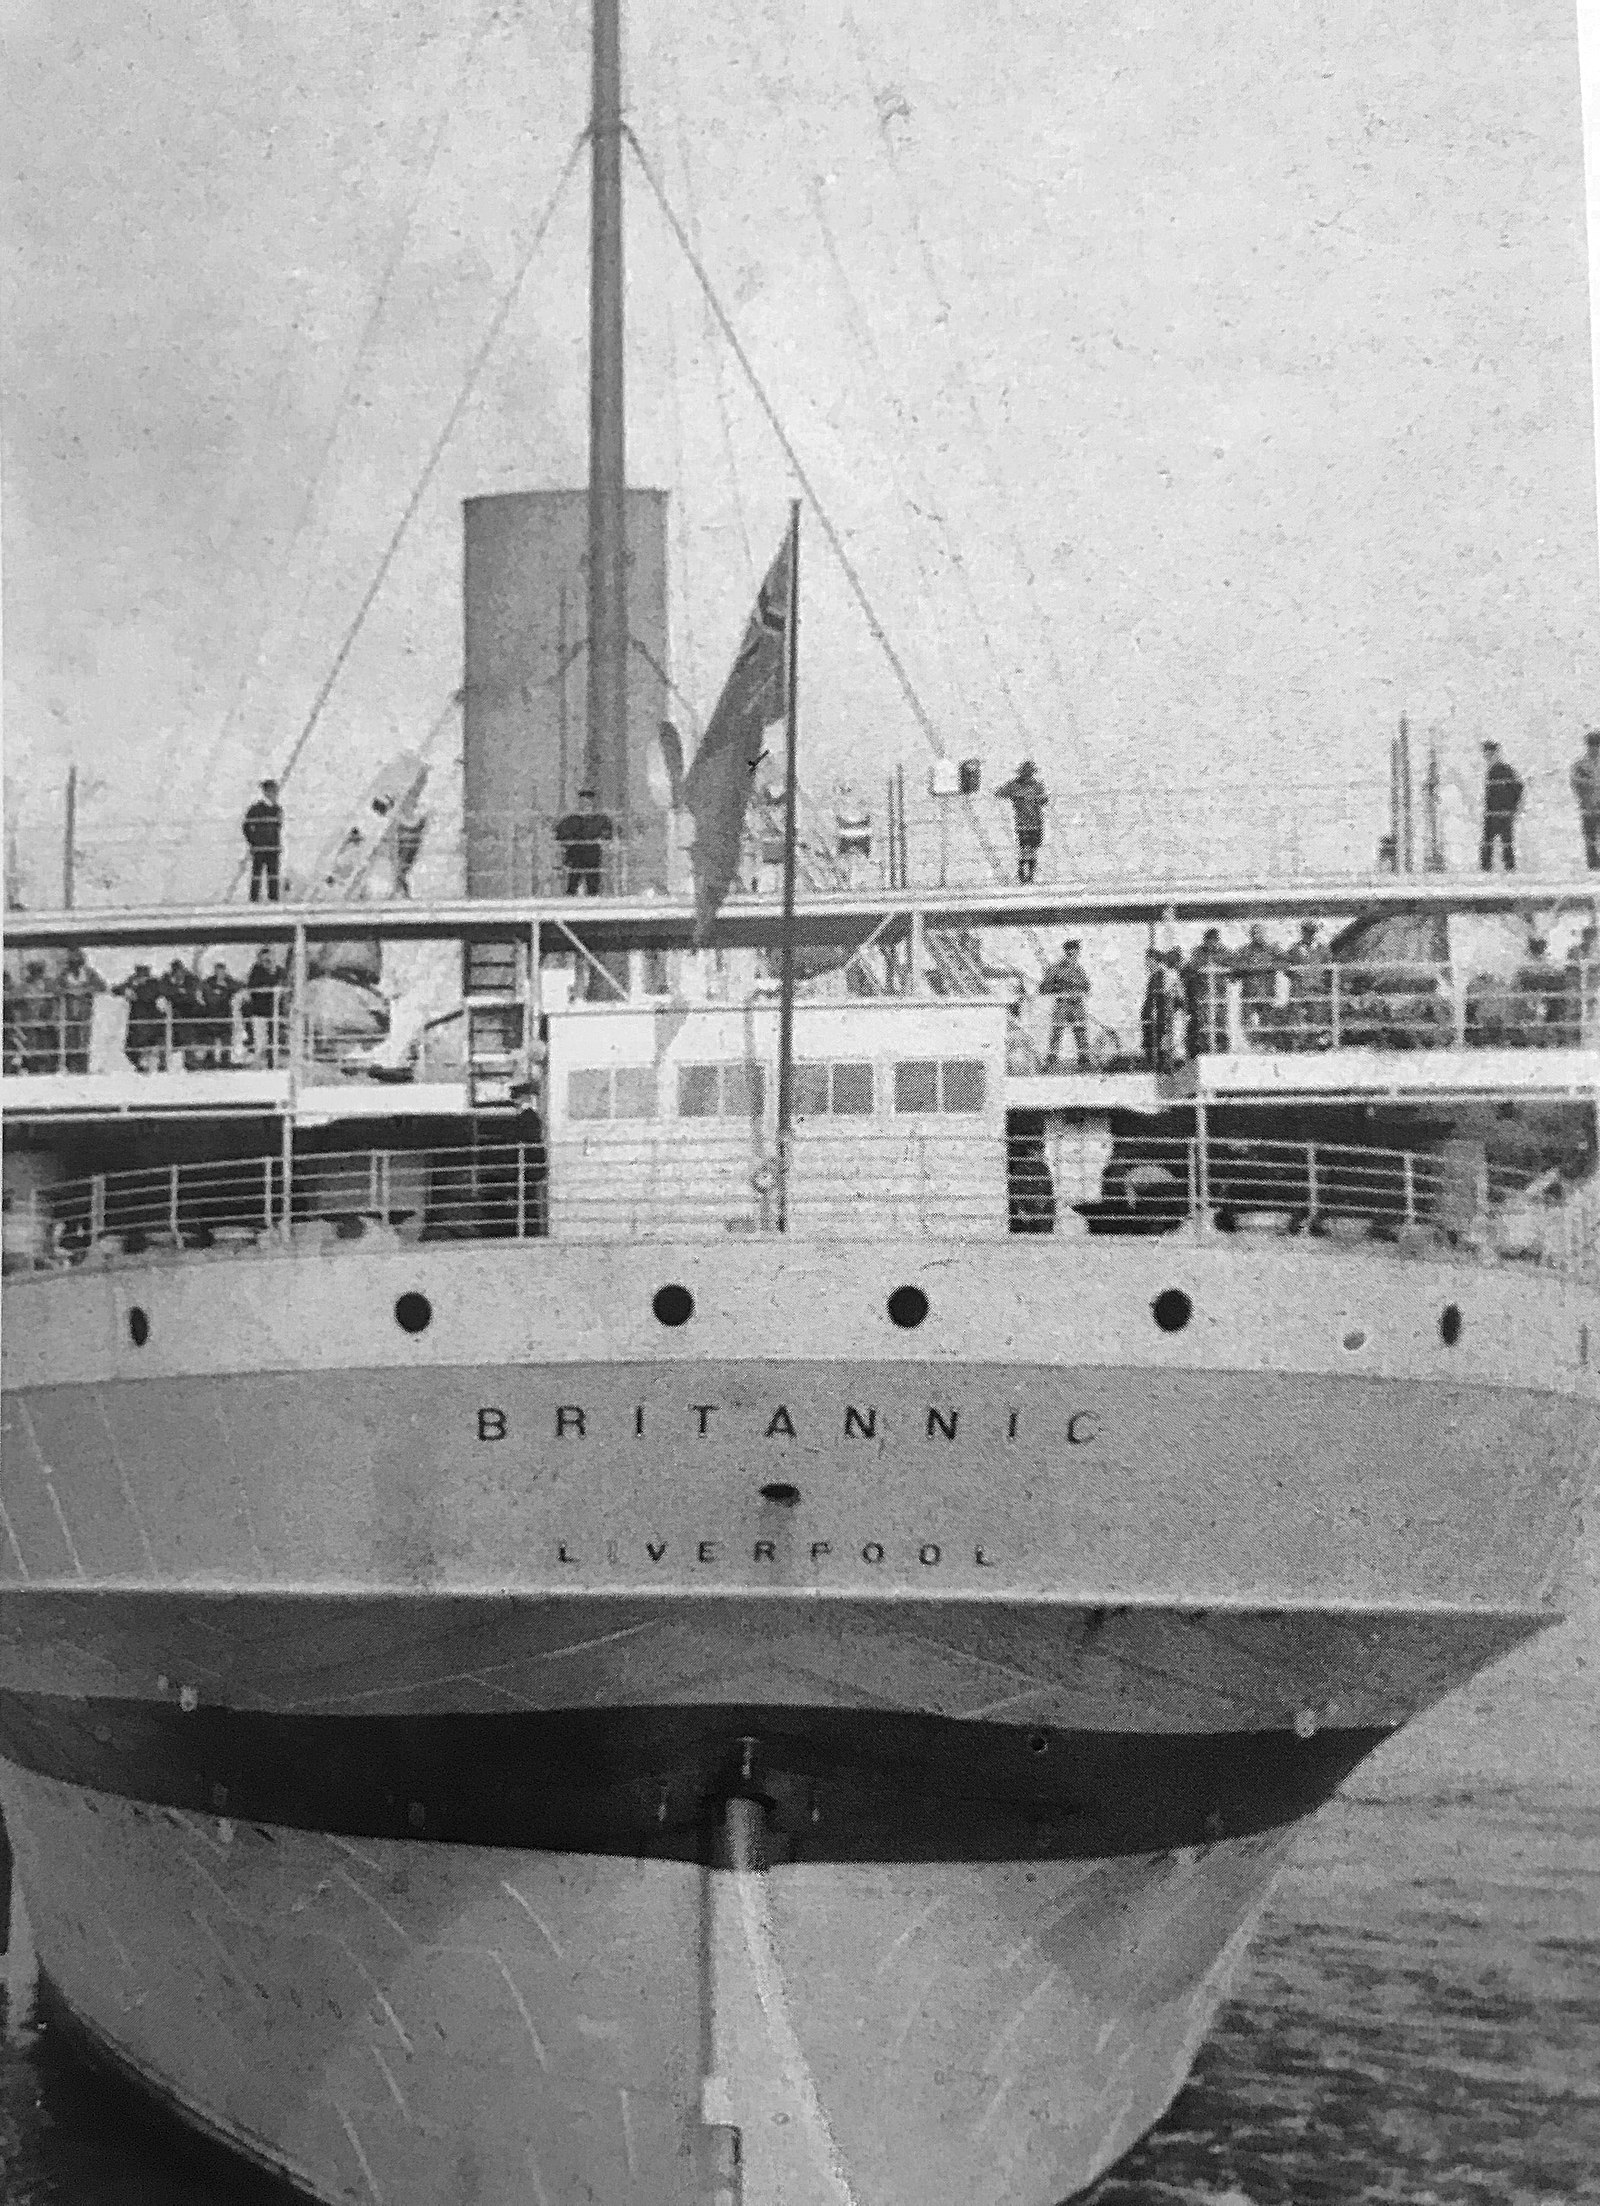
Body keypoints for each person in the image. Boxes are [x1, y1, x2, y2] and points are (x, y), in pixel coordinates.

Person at [1039, 938, 1091, 1069]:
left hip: (1077, 1004)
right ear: (1067, 951)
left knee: (1081, 1032)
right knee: (1057, 1032)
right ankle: (1051, 1062)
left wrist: (1077, 986)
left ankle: (1084, 1061)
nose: (1075, 955)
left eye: (1077, 952)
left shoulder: (1079, 969)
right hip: (1062, 1004)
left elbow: (1087, 986)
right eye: (1072, 952)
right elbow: (1043, 988)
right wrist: (1057, 985)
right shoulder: (1055, 968)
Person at [553, 787, 615, 895]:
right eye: (583, 801)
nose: (586, 804)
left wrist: (603, 842)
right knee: (572, 883)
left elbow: (607, 836)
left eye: (589, 800)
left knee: (593, 884)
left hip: (593, 856)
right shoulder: (570, 820)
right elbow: (560, 836)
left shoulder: (601, 820)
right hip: (575, 856)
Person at [995, 761, 1048, 883]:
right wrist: (1016, 796)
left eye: (1030, 773)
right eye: (1026, 773)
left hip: (1036, 821)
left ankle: (1029, 873)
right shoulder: (1014, 784)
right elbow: (999, 792)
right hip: (1022, 822)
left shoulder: (1037, 785)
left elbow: (1045, 799)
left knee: (1033, 849)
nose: (1028, 775)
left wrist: (1036, 799)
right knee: (1025, 847)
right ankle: (1022, 872)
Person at [1284, 919, 1331, 1049]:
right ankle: (1298, 1043)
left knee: (1318, 1015)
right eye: (1306, 931)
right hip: (1299, 988)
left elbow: (1328, 969)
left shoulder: (1323, 949)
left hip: (1317, 988)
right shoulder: (1294, 949)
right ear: (1302, 932)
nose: (1309, 934)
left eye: (1311, 932)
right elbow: (1287, 969)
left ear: (1315, 932)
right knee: (1297, 1015)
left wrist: (1319, 980)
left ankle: (1317, 1043)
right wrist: (1298, 977)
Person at [59, 948, 105, 1075]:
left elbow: (102, 986)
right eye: (72, 962)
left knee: (84, 1039)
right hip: (69, 1013)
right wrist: (68, 991)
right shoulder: (64, 974)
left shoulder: (89, 973)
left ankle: (83, 1067)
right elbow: (56, 988)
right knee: (70, 1040)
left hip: (84, 1012)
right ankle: (70, 1066)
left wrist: (86, 990)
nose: (74, 965)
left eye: (77, 961)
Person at [1479, 741, 1523, 872]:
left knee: (1501, 841)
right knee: (1495, 841)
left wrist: (1510, 807)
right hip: (1494, 813)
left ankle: (1500, 867)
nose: (1487, 757)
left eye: (1489, 754)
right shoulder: (1493, 771)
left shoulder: (1502, 770)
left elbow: (1518, 788)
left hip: (1499, 813)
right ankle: (1501, 867)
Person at [1185, 928, 1230, 1054]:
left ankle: (1222, 1048)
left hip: (1219, 993)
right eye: (1209, 941)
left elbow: (1232, 966)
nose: (1212, 944)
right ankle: (1204, 1048)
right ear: (1205, 941)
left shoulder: (1224, 952)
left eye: (1214, 940)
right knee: (1203, 1021)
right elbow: (1193, 966)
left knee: (1220, 1021)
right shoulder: (1198, 952)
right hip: (1203, 994)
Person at [1236, 923, 1282, 1046]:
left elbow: (1285, 961)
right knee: (1246, 1021)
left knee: (1267, 1021)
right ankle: (1253, 1044)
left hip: (1266, 992)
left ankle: (1266, 1044)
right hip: (1249, 993)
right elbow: (1235, 968)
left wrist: (1270, 966)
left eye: (1260, 933)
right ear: (1251, 935)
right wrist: (1248, 968)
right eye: (1255, 933)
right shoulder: (1244, 951)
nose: (1258, 936)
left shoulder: (1272, 950)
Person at [242, 779, 284, 902]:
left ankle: (273, 897)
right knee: (257, 873)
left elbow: (277, 828)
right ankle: (254, 898)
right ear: (266, 792)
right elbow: (246, 827)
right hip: (260, 847)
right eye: (272, 791)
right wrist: (253, 841)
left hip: (273, 847)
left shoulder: (277, 809)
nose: (274, 794)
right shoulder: (255, 809)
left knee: (273, 874)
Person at [118, 964, 164, 1071]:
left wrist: (136, 991)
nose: (142, 978)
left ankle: (156, 1063)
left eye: (144, 976)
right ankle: (140, 1064)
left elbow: (148, 995)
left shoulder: (154, 984)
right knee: (131, 1047)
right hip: (136, 1021)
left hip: (152, 1021)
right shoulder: (132, 983)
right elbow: (116, 989)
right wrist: (126, 990)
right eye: (139, 976)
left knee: (152, 1043)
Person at [246, 948, 284, 1064]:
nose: (268, 961)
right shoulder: (256, 971)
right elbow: (253, 986)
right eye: (264, 959)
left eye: (270, 958)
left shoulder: (280, 971)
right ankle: (258, 1062)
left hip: (275, 1011)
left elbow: (283, 984)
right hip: (259, 1011)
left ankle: (272, 1062)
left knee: (274, 1038)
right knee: (260, 1039)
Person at [199, 961, 240, 1067]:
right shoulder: (208, 982)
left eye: (222, 971)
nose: (220, 973)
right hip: (210, 1014)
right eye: (218, 970)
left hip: (225, 1015)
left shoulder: (229, 982)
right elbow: (201, 992)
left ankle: (225, 1059)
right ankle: (210, 1059)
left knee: (226, 1038)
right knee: (209, 1038)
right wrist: (203, 1002)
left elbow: (239, 987)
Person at [1571, 729, 1600, 869]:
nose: (1594, 748)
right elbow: (1575, 782)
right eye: (1592, 745)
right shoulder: (1580, 764)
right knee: (1590, 836)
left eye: (1596, 745)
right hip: (1588, 805)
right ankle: (1593, 864)